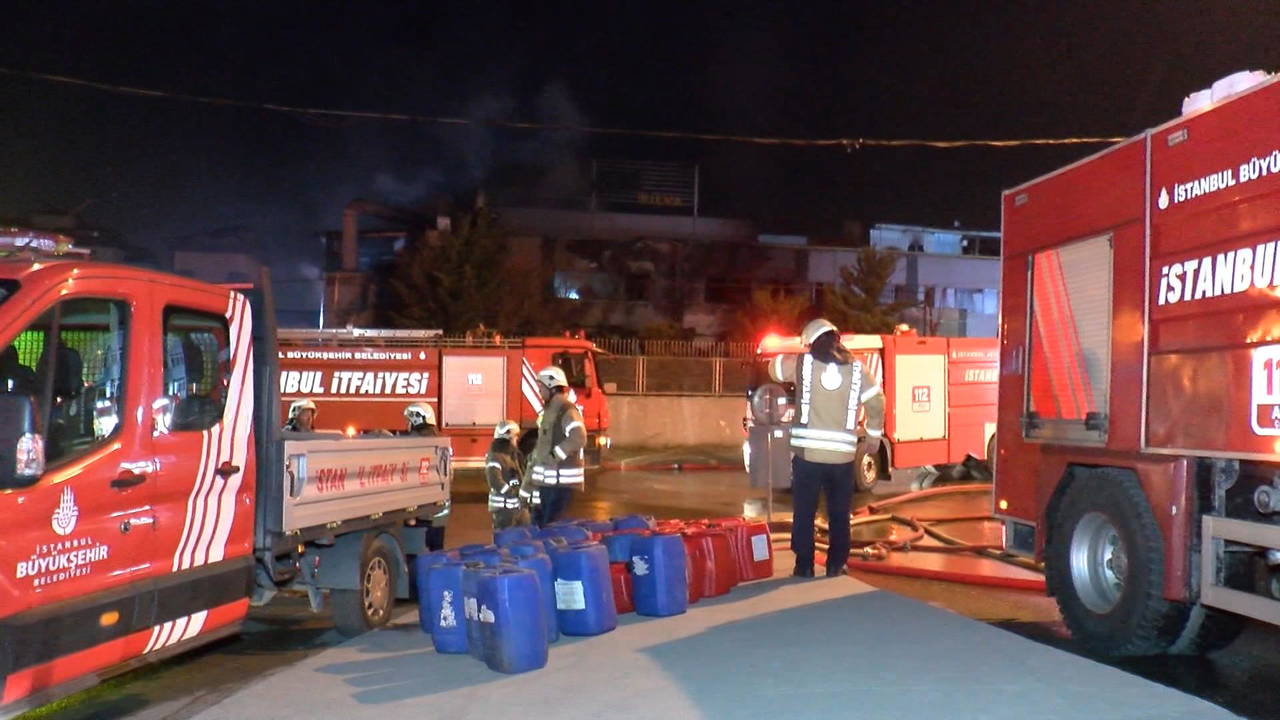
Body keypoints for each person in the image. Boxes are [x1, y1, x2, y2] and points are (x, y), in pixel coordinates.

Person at [768, 318, 879, 578]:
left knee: (804, 512)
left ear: (811, 342)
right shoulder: (858, 369)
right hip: (842, 459)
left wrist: (798, 350)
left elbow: (774, 369)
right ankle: (836, 564)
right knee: (839, 514)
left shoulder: (803, 364)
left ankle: (804, 565)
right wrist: (873, 435)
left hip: (808, 457)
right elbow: (876, 402)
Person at [525, 365, 587, 526]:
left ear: (551, 387)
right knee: (542, 529)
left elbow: (579, 437)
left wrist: (553, 456)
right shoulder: (550, 410)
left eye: (541, 387)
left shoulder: (566, 410)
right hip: (548, 485)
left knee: (552, 530)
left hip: (560, 486)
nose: (539, 391)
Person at [486, 420, 528, 530]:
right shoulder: (495, 456)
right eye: (515, 436)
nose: (517, 439)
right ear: (508, 437)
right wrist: (512, 492)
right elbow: (495, 481)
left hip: (518, 508)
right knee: (505, 537)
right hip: (504, 510)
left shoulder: (514, 454)